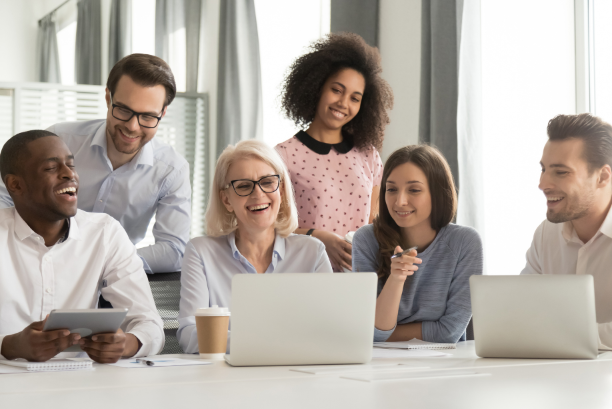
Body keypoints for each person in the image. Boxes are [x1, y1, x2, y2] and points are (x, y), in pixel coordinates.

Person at [0, 54, 191, 274]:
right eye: (124, 110)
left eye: (148, 117)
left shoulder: (171, 170)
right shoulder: (59, 140)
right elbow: (5, 196)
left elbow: (173, 250)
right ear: (108, 97)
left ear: (163, 112)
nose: (132, 126)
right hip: (33, 265)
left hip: (111, 278)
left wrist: (104, 261)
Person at [0, 130, 164, 362]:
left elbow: (150, 323)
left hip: (81, 385)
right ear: (15, 184)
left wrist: (127, 344)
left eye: (71, 165)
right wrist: (10, 346)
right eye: (51, 168)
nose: (70, 175)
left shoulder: (104, 233)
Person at [178, 140, 332, 354]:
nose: (258, 194)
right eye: (243, 186)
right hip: (226, 379)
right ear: (226, 200)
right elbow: (189, 335)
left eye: (268, 182)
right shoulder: (200, 252)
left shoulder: (313, 253)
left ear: (282, 190)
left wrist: (245, 341)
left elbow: (330, 331)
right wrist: (268, 343)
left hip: (296, 377)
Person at [275, 33, 393, 272]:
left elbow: (376, 225)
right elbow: (270, 228)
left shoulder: (368, 156)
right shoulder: (283, 156)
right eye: (337, 90)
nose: (343, 103)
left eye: (355, 98)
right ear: (317, 87)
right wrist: (317, 237)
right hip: (304, 275)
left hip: (358, 277)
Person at [352, 145, 483, 343]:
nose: (400, 201)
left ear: (438, 193)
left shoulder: (465, 242)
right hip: (379, 365)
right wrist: (396, 278)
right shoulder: (366, 240)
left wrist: (379, 336)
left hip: (447, 366)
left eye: (414, 190)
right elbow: (374, 331)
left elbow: (449, 333)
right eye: (392, 189)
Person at [521, 113, 612, 349]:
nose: (543, 184)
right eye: (543, 169)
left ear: (602, 177)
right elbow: (523, 310)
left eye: (560, 172)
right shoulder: (546, 235)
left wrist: (559, 335)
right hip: (558, 375)